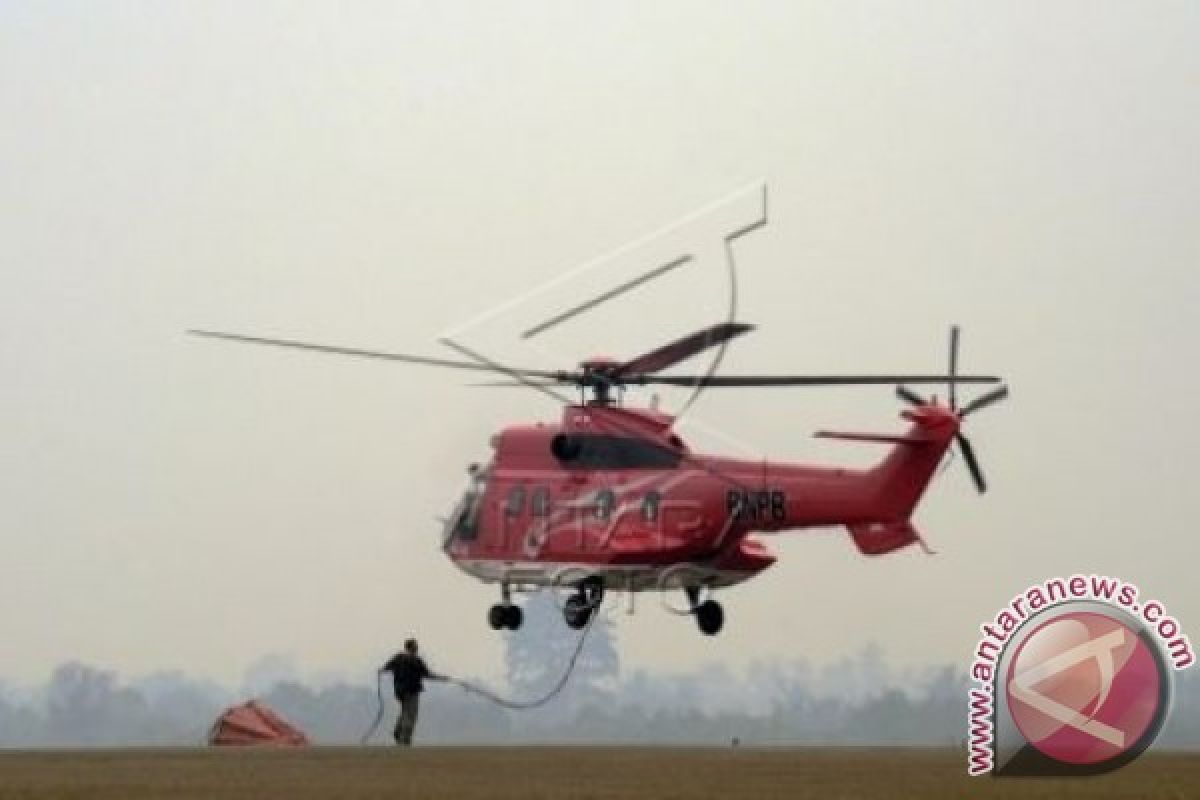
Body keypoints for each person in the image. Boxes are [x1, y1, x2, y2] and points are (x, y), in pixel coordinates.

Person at [379, 638, 446, 746]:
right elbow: (427, 674)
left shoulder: (398, 657)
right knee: (410, 715)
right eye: (416, 646)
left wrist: (381, 670)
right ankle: (404, 740)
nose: (417, 648)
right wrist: (442, 678)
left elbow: (386, 667)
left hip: (399, 691)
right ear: (412, 647)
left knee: (405, 712)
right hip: (412, 691)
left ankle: (398, 732)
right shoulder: (416, 660)